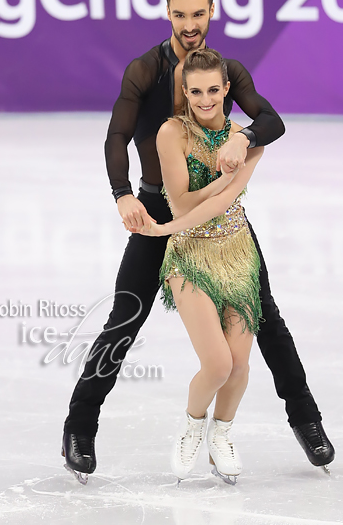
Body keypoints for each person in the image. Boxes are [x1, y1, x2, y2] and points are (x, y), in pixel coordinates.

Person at [61, 0, 334, 484]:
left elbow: (271, 120)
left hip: (221, 219)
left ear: (212, 11)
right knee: (126, 316)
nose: (190, 24)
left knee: (267, 319)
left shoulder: (222, 70)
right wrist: (122, 195)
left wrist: (244, 135)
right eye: (180, 14)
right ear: (168, 12)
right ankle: (79, 427)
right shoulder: (144, 70)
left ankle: (307, 419)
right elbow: (116, 135)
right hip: (158, 208)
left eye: (198, 13)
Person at [127, 48, 264, 483]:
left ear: (226, 89)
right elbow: (182, 202)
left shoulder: (247, 137)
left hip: (238, 254)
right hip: (188, 254)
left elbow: (225, 201)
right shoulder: (171, 133)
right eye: (195, 91)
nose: (205, 100)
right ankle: (193, 423)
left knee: (240, 365)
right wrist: (172, 227)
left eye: (213, 90)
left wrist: (226, 180)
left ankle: (221, 435)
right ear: (184, 93)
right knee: (218, 364)